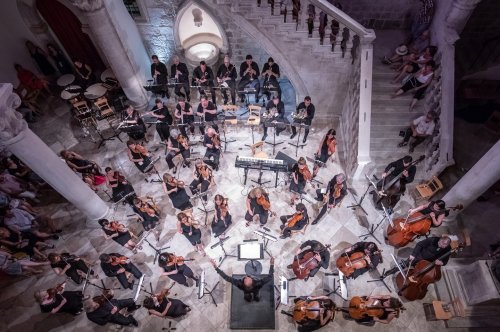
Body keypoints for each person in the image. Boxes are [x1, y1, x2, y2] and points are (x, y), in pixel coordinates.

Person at [210, 257, 274, 302]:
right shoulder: (259, 283)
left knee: (247, 295)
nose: (247, 276)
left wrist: (216, 267)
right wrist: (272, 264)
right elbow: (270, 277)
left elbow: (226, 277)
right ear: (253, 281)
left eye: (246, 278)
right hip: (256, 289)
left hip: (246, 291)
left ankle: (248, 298)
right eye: (248, 278)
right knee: (256, 293)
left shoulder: (239, 284)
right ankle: (256, 298)